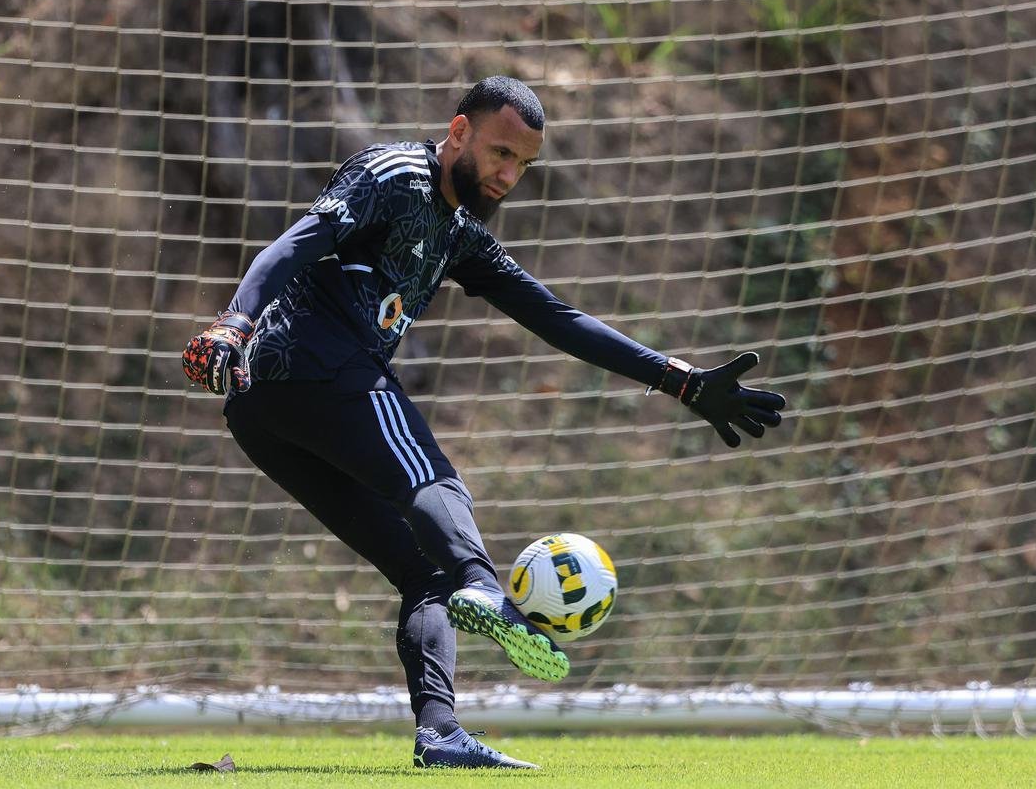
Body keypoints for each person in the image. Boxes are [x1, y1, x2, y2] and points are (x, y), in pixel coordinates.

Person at [182, 76, 785, 769]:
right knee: (436, 483)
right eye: (499, 154)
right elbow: (296, 241)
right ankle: (482, 583)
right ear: (458, 132)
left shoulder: (462, 237)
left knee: (421, 574)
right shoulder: (394, 175)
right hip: (319, 365)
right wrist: (234, 320)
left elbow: (555, 317)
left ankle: (439, 732)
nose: (507, 175)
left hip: (263, 411)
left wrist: (678, 380)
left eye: (521, 165)